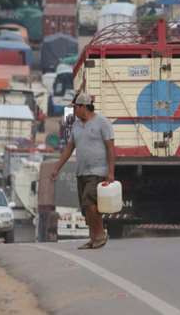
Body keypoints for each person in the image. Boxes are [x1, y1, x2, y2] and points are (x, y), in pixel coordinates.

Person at [50, 93, 115, 250]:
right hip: (82, 172)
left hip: (98, 171)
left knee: (90, 202)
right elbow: (69, 148)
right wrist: (57, 167)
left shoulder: (102, 123)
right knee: (86, 209)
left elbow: (110, 149)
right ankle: (93, 238)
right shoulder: (76, 125)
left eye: (76, 108)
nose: (74, 111)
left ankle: (100, 235)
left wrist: (111, 172)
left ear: (84, 107)